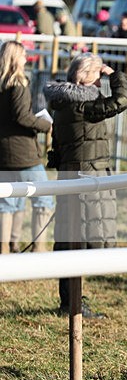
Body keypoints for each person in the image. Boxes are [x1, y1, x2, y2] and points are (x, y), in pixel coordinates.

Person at [44, 53, 127, 317]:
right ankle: (73, 305)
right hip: (88, 176)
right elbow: (122, 100)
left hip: (70, 174)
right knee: (82, 241)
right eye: (97, 76)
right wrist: (115, 75)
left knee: (69, 238)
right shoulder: (84, 105)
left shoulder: (62, 103)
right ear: (87, 78)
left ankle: (68, 300)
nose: (100, 82)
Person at [0, 41, 54, 254]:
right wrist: (46, 125)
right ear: (15, 59)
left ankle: (6, 248)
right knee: (44, 199)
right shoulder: (19, 85)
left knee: (8, 202)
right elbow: (22, 116)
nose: (26, 58)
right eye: (23, 55)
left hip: (3, 153)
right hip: (23, 153)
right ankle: (38, 250)